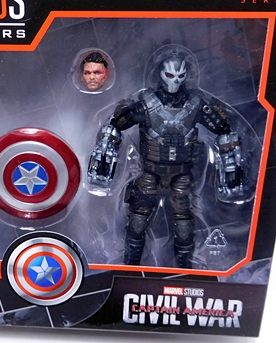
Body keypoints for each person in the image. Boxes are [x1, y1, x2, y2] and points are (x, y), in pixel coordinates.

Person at [87, 45, 244, 268]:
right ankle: (131, 266)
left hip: (182, 173)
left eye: (180, 76)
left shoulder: (196, 103)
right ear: (160, 73)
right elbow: (114, 125)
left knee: (184, 226)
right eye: (170, 75)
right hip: (150, 172)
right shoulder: (146, 103)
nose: (175, 81)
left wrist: (231, 172)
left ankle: (185, 268)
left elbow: (224, 130)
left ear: (186, 75)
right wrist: (104, 163)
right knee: (137, 222)